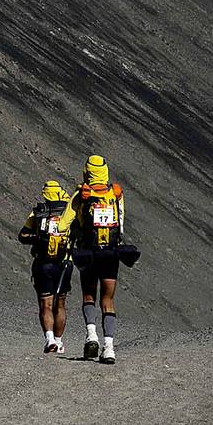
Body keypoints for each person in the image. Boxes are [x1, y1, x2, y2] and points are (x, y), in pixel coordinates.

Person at [68, 155, 129, 364]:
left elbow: (63, 224)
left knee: (88, 295)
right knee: (108, 300)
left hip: (88, 252)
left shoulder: (81, 195)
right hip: (111, 253)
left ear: (87, 171)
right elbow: (120, 224)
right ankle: (109, 347)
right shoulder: (116, 194)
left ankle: (91, 335)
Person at [17, 180, 75, 353]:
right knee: (61, 304)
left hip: (42, 263)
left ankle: (49, 339)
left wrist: (40, 238)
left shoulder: (39, 212)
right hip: (65, 262)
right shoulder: (69, 211)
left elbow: (22, 236)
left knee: (46, 304)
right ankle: (59, 341)